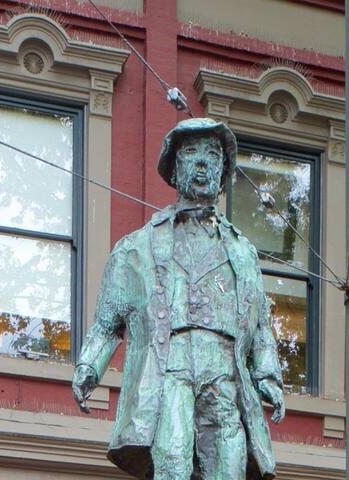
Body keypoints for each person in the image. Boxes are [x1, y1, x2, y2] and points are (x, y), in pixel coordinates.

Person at [72, 118, 285, 480]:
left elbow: (261, 326)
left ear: (224, 170)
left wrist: (269, 377)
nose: (202, 162)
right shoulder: (137, 247)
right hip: (169, 369)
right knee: (172, 461)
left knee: (229, 467)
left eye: (212, 154)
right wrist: (89, 367)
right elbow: (107, 324)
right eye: (191, 152)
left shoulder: (243, 253)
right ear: (174, 168)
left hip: (225, 372)